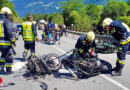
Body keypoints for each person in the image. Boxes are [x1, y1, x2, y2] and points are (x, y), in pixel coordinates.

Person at [0, 7, 16, 74]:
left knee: (3, 55)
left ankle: (1, 68)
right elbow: (9, 32)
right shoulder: (6, 21)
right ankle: (8, 71)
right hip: (5, 43)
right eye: (9, 15)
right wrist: (13, 40)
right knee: (9, 55)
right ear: (5, 14)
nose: (9, 16)